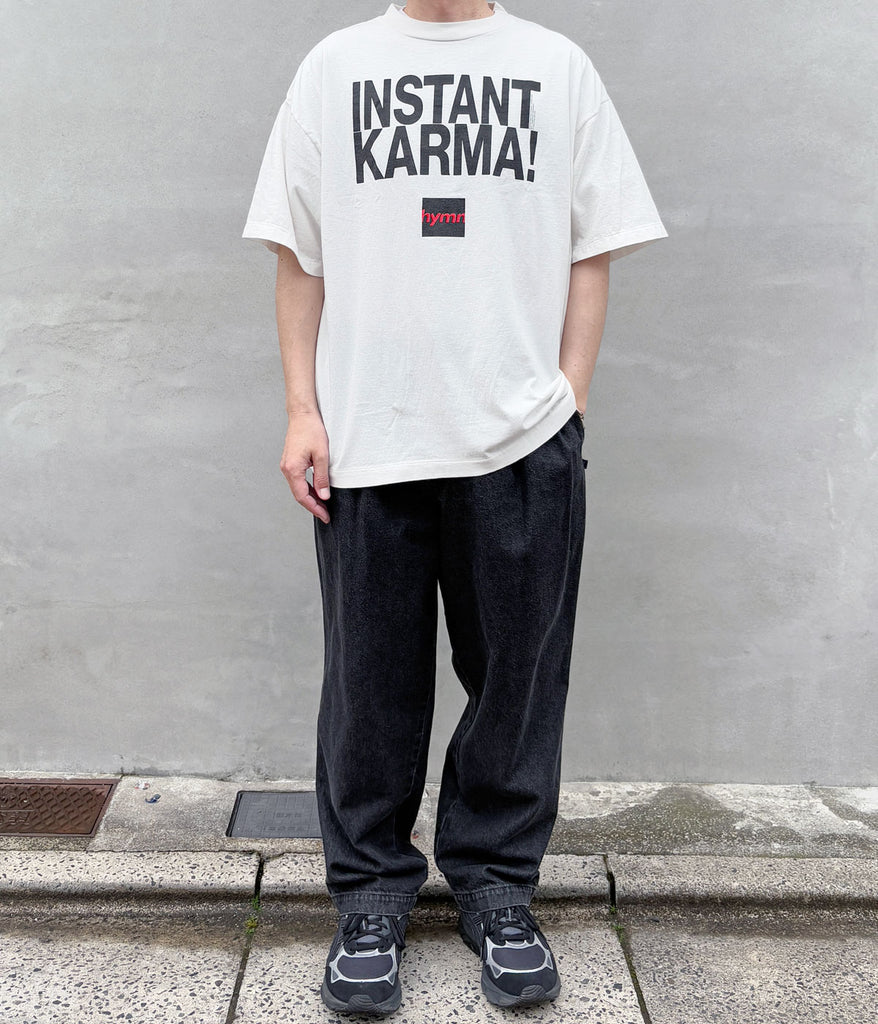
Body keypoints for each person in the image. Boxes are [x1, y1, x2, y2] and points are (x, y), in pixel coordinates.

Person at [243, 0, 666, 1014]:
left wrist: (567, 401)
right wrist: (302, 408)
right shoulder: (336, 67)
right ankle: (370, 900)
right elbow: (298, 254)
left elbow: (592, 246)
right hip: (367, 435)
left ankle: (497, 887)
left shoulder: (555, 66)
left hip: (520, 437)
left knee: (518, 679)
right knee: (368, 686)